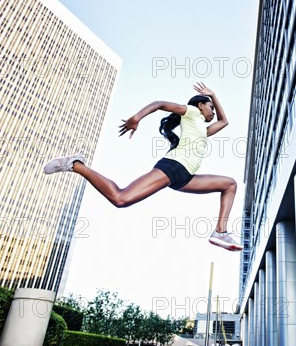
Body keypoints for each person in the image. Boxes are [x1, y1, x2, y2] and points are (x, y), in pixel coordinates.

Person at [43, 82, 242, 251]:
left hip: (186, 176)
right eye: (210, 108)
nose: (213, 112)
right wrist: (136, 118)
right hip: (173, 167)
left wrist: (214, 96)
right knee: (121, 198)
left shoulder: (202, 130)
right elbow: (160, 104)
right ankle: (75, 164)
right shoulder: (191, 113)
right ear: (200, 106)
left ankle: (220, 232)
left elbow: (224, 121)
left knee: (229, 185)